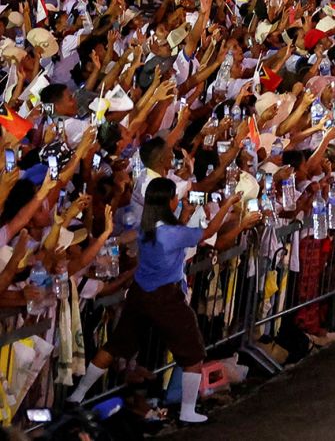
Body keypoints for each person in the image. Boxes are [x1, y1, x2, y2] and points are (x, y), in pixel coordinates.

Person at [68, 177, 249, 423]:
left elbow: (176, 238)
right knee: (193, 351)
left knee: (116, 345)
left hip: (140, 293)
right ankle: (187, 410)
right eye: (175, 196)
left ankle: (78, 395)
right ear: (169, 201)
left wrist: (184, 216)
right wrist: (228, 204)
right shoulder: (169, 232)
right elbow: (208, 232)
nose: (178, 199)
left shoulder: (147, 228)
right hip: (166, 297)